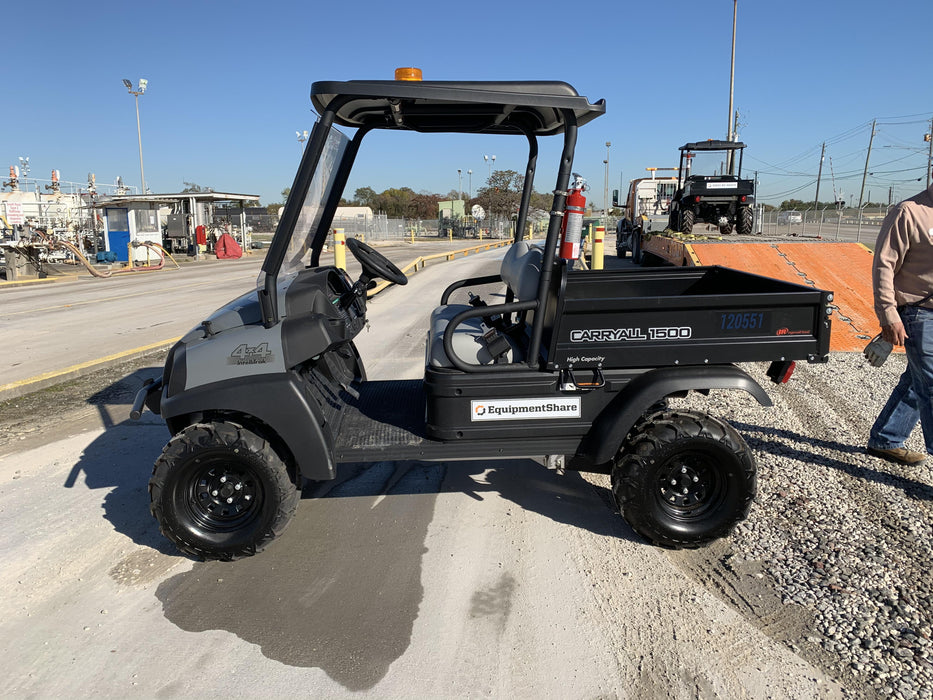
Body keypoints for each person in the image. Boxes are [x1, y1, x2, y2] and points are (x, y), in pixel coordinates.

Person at [867, 181, 933, 464]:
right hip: (919, 314)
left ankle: (885, 438)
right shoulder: (909, 212)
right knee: (931, 385)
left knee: (916, 380)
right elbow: (883, 265)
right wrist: (888, 314)